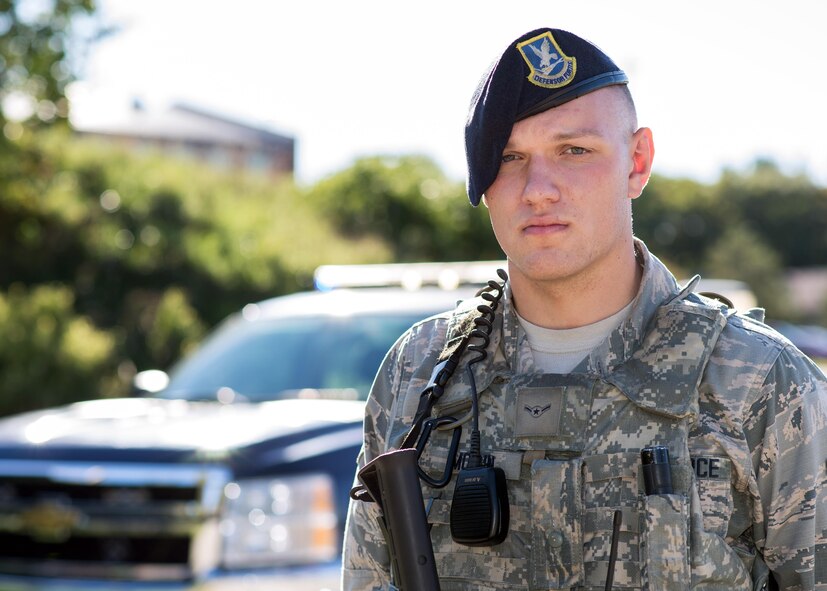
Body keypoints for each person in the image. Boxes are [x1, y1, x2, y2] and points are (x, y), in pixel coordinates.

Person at [341, 27, 827, 591]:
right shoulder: (421, 374)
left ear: (636, 161)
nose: (538, 188)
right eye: (509, 156)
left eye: (574, 151)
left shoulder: (758, 380)